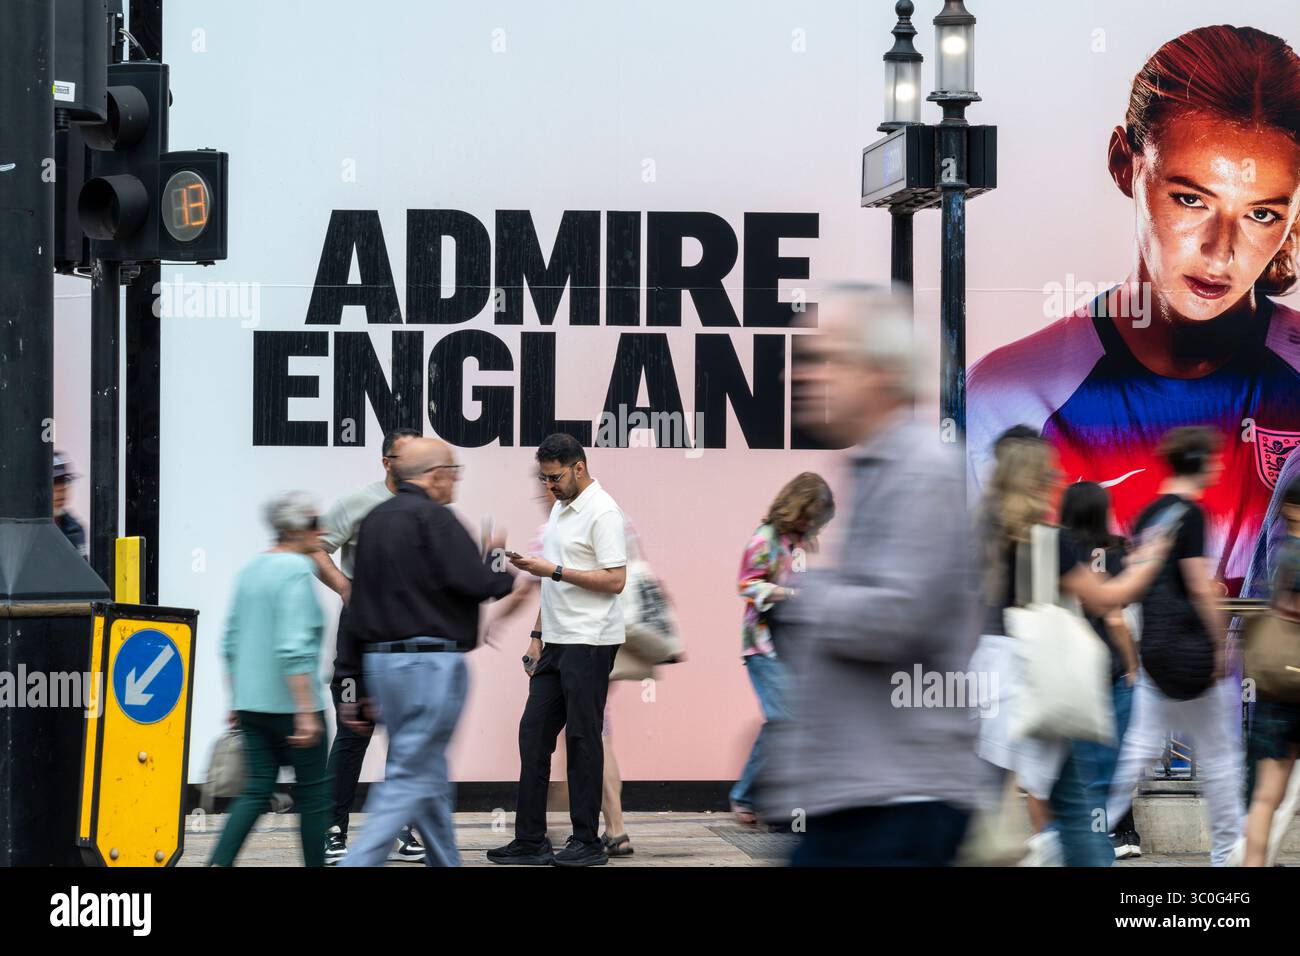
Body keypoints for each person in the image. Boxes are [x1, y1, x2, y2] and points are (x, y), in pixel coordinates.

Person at [968, 25, 1300, 598]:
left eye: (1262, 214)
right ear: (1125, 162)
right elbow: (994, 633)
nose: (1221, 251)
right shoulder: (1013, 396)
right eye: (1190, 199)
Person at [755, 285, 977, 865]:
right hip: (864, 797)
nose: (804, 376)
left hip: (898, 803)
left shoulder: (923, 469)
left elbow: (892, 619)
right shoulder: (876, 467)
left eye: (826, 359)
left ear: (879, 373)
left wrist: (800, 595)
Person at [973, 437, 1169, 867]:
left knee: (985, 803)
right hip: (1037, 677)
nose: (1059, 477)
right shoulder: (1046, 540)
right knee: (1077, 808)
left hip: (985, 676)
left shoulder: (979, 534)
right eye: (1051, 472)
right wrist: (1151, 561)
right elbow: (1107, 599)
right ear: (1036, 480)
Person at [337, 438, 514, 867]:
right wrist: (494, 557)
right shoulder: (437, 519)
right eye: (454, 472)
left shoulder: (374, 522)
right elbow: (483, 584)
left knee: (428, 776)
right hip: (430, 667)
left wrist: (349, 685)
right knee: (407, 777)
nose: (455, 481)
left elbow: (356, 607)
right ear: (435, 475)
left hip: (381, 667)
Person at [488, 433, 628, 867]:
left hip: (590, 643)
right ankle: (531, 840)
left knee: (584, 739)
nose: (548, 486)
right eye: (544, 478)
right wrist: (535, 636)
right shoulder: (563, 511)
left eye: (554, 477)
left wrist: (557, 570)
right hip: (556, 643)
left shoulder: (603, 512)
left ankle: (587, 842)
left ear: (578, 467)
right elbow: (550, 588)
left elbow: (615, 580)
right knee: (533, 736)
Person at [1106, 427, 1244, 866]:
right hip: (1191, 654)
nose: (1219, 466)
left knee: (1135, 754)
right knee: (1221, 762)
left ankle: (1081, 839)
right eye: (1215, 459)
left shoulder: (1148, 516)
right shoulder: (1192, 514)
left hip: (1156, 654)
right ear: (1199, 462)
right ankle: (1227, 856)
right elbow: (1198, 586)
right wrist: (1221, 643)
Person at [314, 426, 423, 864]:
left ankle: (399, 824)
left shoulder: (425, 505)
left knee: (404, 737)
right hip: (360, 640)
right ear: (387, 463)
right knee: (353, 732)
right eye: (407, 458)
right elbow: (317, 548)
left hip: (410, 640)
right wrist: (344, 587)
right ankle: (332, 827)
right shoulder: (356, 503)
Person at [208, 492, 331, 866]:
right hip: (293, 707)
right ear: (294, 530)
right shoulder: (296, 571)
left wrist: (235, 700)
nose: (321, 530)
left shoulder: (251, 570)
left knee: (256, 789)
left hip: (251, 704)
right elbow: (294, 647)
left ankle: (218, 863)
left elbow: (229, 641)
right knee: (314, 797)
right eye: (313, 523)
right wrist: (307, 712)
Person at [729, 472, 834, 827]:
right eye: (813, 517)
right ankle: (756, 796)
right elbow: (748, 586)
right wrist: (791, 595)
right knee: (785, 718)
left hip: (789, 644)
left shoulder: (794, 541)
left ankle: (755, 795)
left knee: (784, 720)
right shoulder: (764, 540)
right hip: (763, 645)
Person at [1059, 481, 1143, 859]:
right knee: (1112, 762)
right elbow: (1116, 618)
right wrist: (1131, 665)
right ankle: (1112, 837)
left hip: (1063, 669)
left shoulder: (1051, 548)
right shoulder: (1114, 552)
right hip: (1107, 667)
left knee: (1073, 766)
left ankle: (1073, 841)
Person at [1242, 476, 1300, 866]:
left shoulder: (1281, 552)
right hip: (1293, 685)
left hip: (1278, 686)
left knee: (1267, 794)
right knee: (1270, 795)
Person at [52, 451, 87, 559]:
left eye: (64, 481)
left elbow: (83, 572)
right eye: (54, 482)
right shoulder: (24, 531)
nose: (61, 488)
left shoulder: (75, 529)